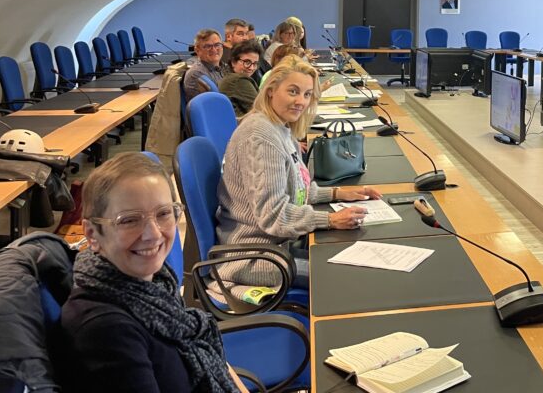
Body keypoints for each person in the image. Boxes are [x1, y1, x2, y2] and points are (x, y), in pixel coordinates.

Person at [62, 152, 244, 393]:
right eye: (128, 220)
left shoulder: (155, 284)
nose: (153, 234)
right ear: (92, 234)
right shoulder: (106, 331)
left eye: (163, 213)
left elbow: (214, 362)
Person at [216, 56, 381, 288]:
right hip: (256, 257)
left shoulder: (279, 127)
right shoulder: (260, 136)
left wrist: (337, 194)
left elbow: (295, 189)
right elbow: (273, 214)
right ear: (271, 90)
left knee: (351, 263)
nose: (301, 102)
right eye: (293, 91)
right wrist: (330, 219)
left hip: (277, 246)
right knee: (347, 278)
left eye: (306, 94)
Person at [218, 40, 262, 117]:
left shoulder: (228, 75)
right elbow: (262, 110)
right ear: (233, 62)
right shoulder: (239, 81)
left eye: (255, 64)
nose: (251, 68)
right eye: (247, 62)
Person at [182, 29, 225, 102]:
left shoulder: (225, 67)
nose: (214, 50)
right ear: (197, 50)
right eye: (208, 46)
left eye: (217, 45)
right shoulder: (196, 74)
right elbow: (212, 105)